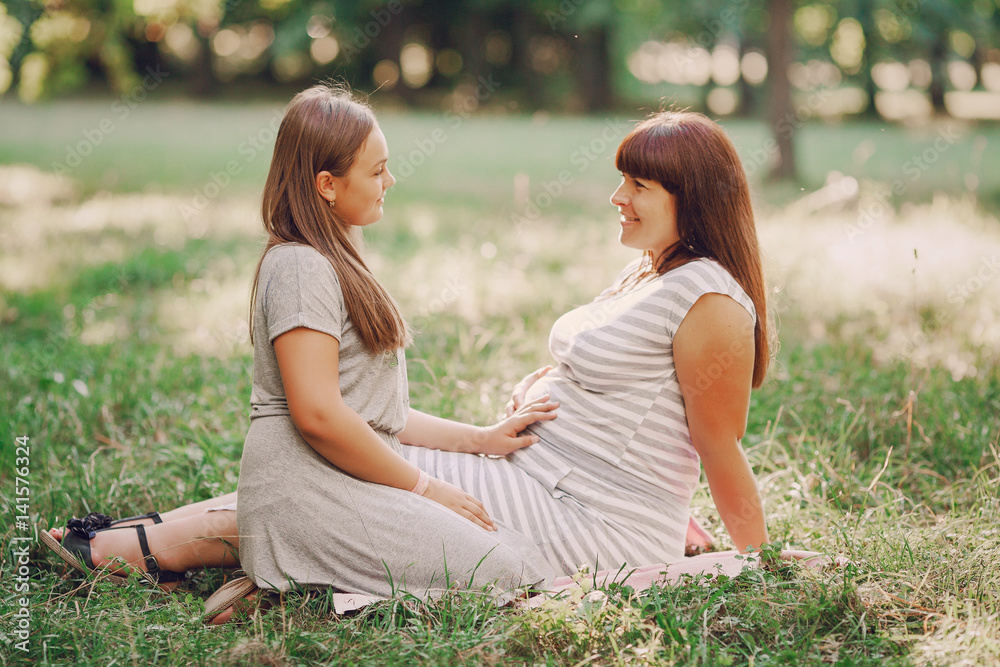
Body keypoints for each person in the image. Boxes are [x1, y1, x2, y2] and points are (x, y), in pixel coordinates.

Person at [44, 107, 781, 612]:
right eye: (622, 179)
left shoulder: (711, 302)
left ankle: (141, 546)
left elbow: (718, 445)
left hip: (580, 523)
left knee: (356, 493)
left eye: (638, 185)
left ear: (694, 198)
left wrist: (762, 565)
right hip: (536, 476)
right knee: (343, 476)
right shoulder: (654, 268)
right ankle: (149, 539)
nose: (616, 197)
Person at [43, 83, 557, 609]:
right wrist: (426, 488)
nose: (390, 181)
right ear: (327, 184)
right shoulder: (299, 266)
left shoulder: (336, 253)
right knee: (504, 571)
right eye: (377, 170)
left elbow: (377, 413)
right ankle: (278, 579)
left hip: (338, 482)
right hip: (307, 492)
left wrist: (480, 438)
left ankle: (272, 573)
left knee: (513, 554)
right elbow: (318, 416)